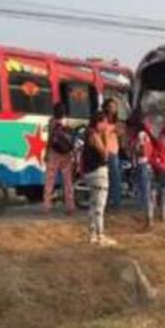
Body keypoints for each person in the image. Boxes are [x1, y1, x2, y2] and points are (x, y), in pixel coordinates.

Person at [82, 111, 116, 245]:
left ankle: (92, 234)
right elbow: (105, 154)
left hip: (90, 172)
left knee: (93, 204)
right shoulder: (94, 135)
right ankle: (100, 235)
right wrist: (106, 137)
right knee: (100, 206)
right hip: (98, 172)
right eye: (105, 122)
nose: (106, 125)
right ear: (99, 122)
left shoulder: (88, 133)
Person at [43, 102, 76, 214]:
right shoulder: (69, 122)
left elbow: (50, 139)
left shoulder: (51, 122)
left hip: (54, 153)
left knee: (49, 180)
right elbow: (72, 139)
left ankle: (47, 206)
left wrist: (46, 153)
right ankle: (70, 207)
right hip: (66, 154)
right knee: (68, 181)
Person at [130, 113, 155, 227]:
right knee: (147, 192)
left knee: (145, 193)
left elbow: (142, 151)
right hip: (147, 164)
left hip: (143, 164)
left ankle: (148, 219)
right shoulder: (147, 134)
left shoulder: (141, 135)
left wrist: (133, 149)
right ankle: (148, 218)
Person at [97, 99, 122, 212]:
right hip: (105, 151)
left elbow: (121, 134)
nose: (113, 109)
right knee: (106, 179)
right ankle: (106, 203)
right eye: (111, 106)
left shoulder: (116, 121)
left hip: (114, 151)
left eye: (114, 107)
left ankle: (116, 204)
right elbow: (101, 133)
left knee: (115, 179)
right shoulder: (103, 120)